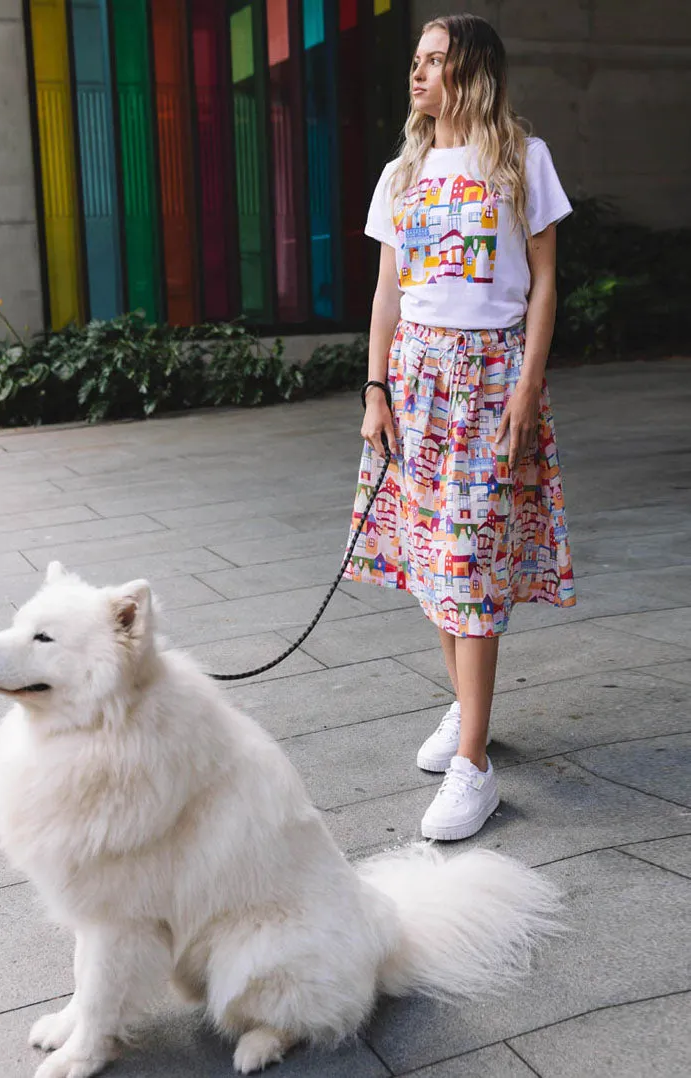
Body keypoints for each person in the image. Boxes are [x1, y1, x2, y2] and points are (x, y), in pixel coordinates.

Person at [344, 13, 576, 842]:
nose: (417, 73)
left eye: (434, 61)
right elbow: (385, 295)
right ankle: (464, 713)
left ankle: (472, 764)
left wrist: (526, 385)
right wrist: (374, 390)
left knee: (471, 561)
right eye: (414, 60)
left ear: (470, 71)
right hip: (414, 383)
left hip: (489, 380)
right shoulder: (400, 172)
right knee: (433, 561)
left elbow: (545, 285)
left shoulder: (521, 159)